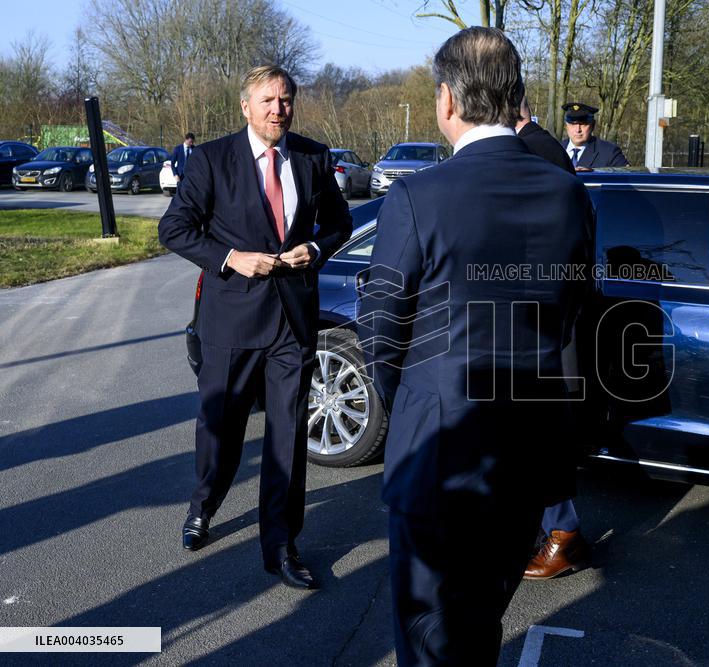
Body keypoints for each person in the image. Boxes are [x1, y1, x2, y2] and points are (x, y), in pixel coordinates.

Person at [358, 28, 592, 666]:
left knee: (431, 641)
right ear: (516, 96)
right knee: (481, 626)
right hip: (526, 456)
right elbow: (573, 317)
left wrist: (410, 404)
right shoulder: (567, 192)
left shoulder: (416, 195)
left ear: (446, 100)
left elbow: (380, 331)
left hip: (442, 458)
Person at [158, 65, 352, 590]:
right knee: (219, 431)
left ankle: (282, 545)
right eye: (267, 100)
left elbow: (340, 224)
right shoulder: (212, 159)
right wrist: (230, 257)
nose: (277, 109)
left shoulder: (313, 156)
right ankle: (204, 503)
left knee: (287, 438)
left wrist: (315, 248)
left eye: (285, 100)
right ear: (246, 106)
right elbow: (173, 228)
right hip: (231, 322)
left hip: (292, 321)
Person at [515, 98, 594, 580]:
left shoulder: (534, 153)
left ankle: (562, 534)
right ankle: (555, 530)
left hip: (540, 318)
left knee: (538, 430)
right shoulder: (545, 148)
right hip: (548, 314)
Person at [562, 102, 629, 169]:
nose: (578, 130)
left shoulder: (610, 153)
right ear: (566, 126)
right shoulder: (555, 151)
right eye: (573, 124)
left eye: (583, 124)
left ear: (593, 125)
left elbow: (627, 178)